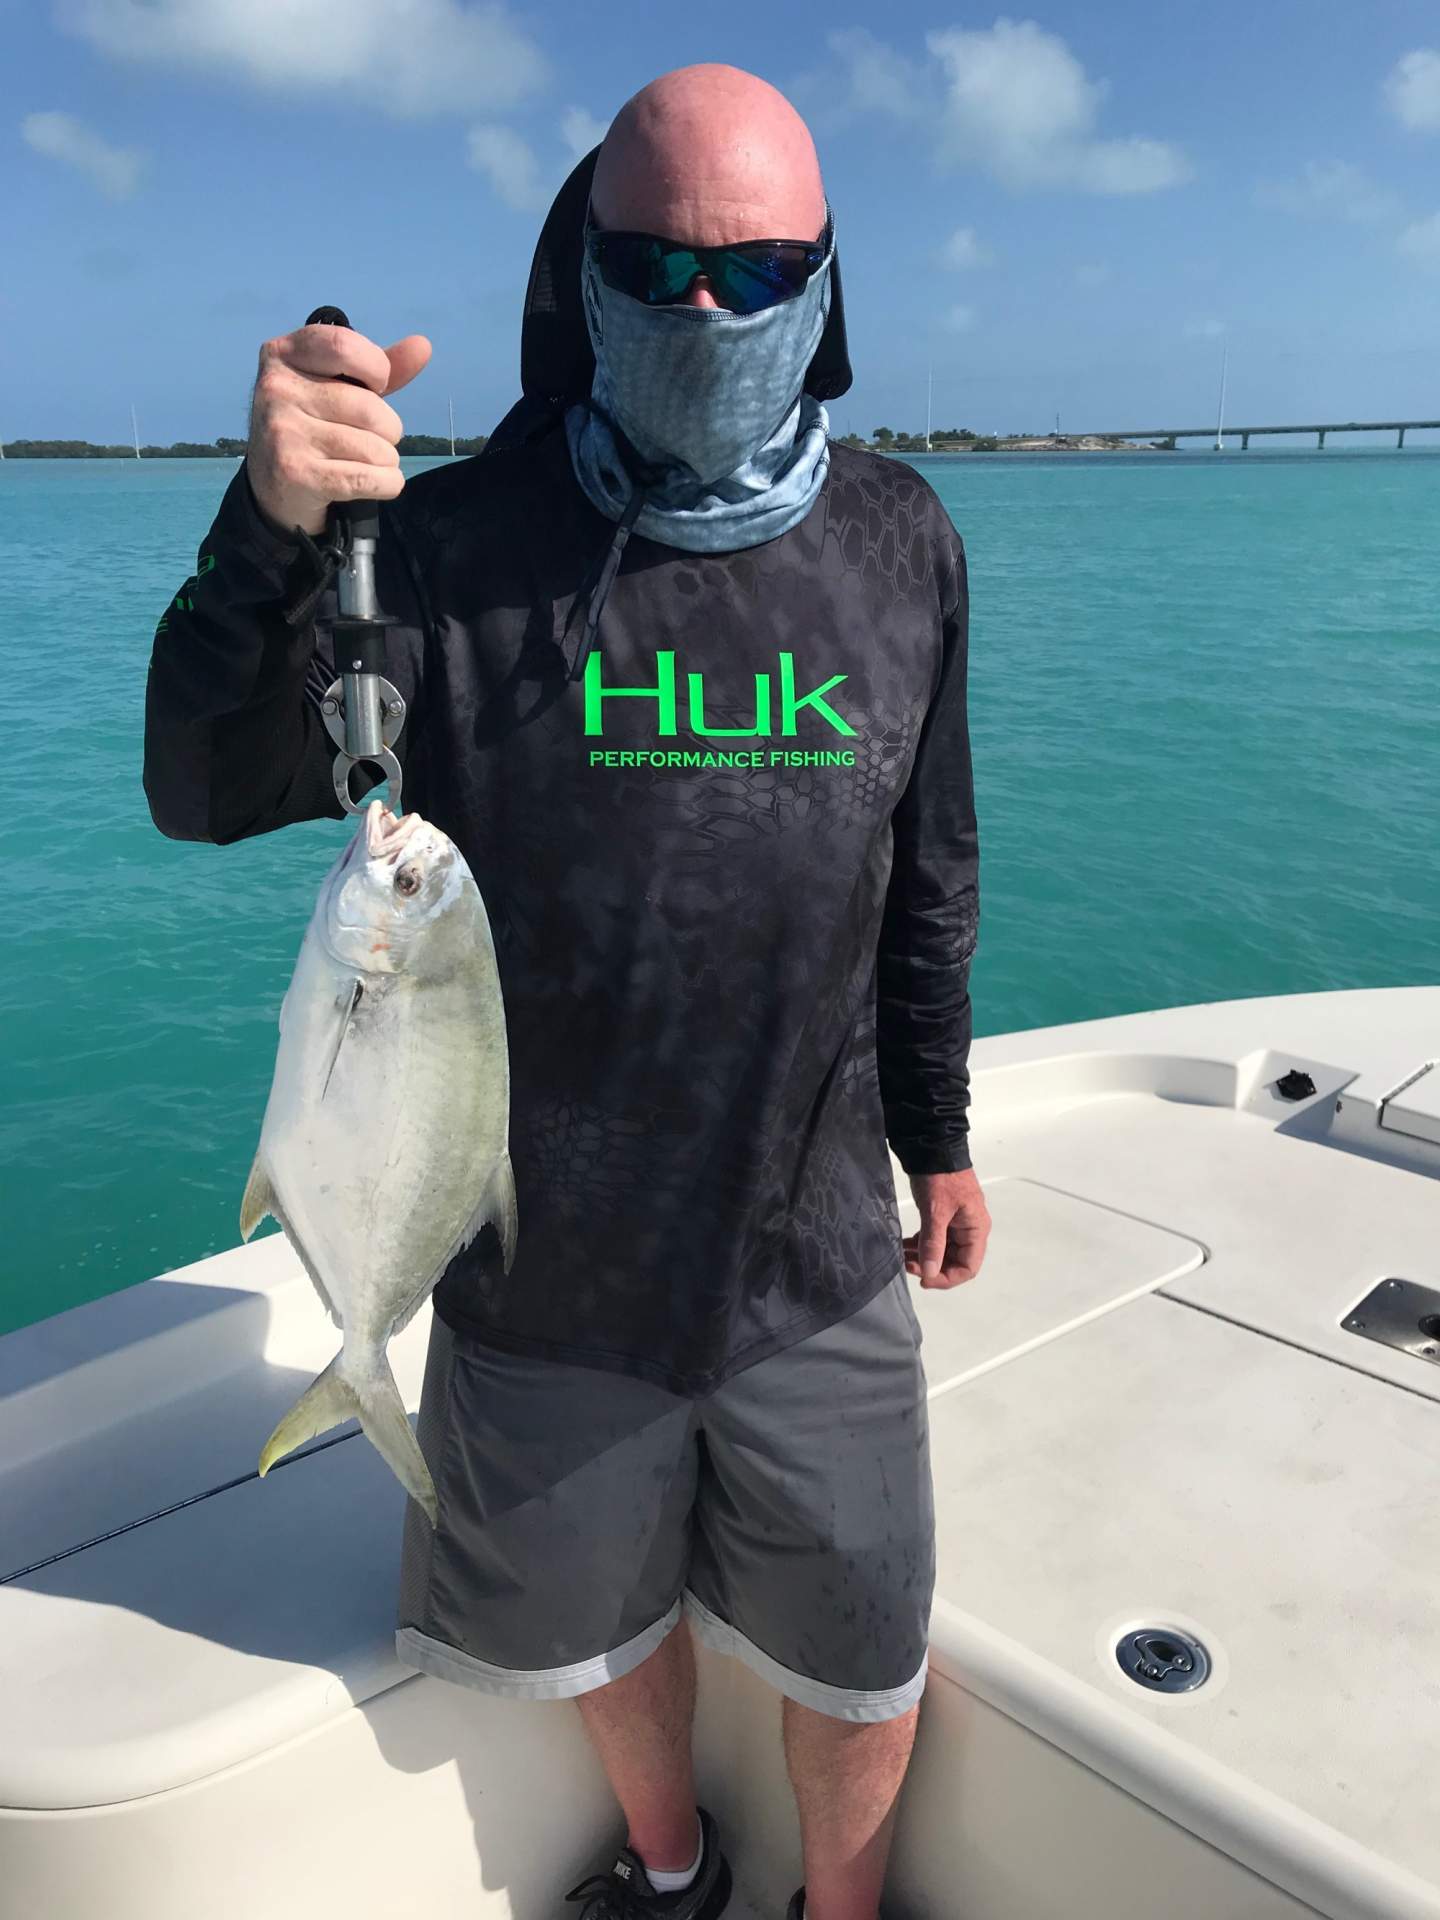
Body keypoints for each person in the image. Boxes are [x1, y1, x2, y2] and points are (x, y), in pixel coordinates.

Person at [144, 62, 989, 1920]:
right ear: (578, 272)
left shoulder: (901, 542)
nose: (710, 310)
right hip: (535, 1272)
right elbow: (204, 788)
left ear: (828, 288)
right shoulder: (446, 555)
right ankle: (673, 1871)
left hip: (811, 1248)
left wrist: (940, 1135)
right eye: (660, 267)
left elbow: (927, 880)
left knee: (863, 1656)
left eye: (759, 274)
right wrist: (268, 533)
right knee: (595, 1629)